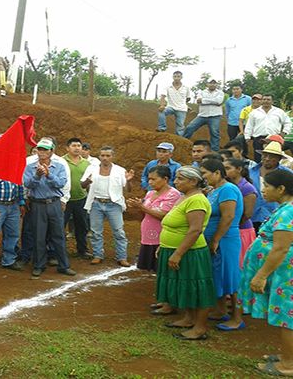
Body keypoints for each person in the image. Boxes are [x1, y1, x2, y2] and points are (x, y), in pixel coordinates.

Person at [237, 170, 293, 376]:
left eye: (267, 186)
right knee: (286, 316)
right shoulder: (284, 208)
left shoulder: (288, 212)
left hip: (284, 274)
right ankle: (288, 356)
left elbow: (281, 248)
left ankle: (288, 365)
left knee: (288, 317)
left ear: (281, 189)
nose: (263, 190)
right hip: (282, 272)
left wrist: (261, 275)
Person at [156, 166, 215, 340]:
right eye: (176, 178)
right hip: (176, 248)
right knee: (184, 284)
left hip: (190, 252)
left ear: (193, 181)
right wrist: (164, 245)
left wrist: (178, 254)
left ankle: (200, 328)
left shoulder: (196, 200)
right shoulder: (184, 197)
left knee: (196, 287)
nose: (175, 182)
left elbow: (195, 230)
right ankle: (189, 318)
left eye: (180, 179)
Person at [126, 166, 181, 314]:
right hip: (148, 237)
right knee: (160, 272)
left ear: (165, 179)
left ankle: (170, 303)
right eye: (149, 179)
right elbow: (144, 214)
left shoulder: (173, 194)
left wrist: (142, 207)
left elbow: (164, 215)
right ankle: (164, 300)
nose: (150, 182)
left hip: (161, 237)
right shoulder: (150, 193)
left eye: (153, 179)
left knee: (165, 271)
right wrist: (138, 207)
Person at [23, 137, 77, 278]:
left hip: (54, 203)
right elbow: (27, 184)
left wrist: (49, 175)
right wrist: (37, 176)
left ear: (52, 151)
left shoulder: (59, 166)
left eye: (45, 150)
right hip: (37, 204)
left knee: (58, 235)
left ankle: (63, 265)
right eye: (40, 149)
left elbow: (60, 183)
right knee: (38, 236)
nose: (41, 152)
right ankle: (38, 265)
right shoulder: (30, 167)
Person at [215, 158, 258, 332]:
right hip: (230, 232)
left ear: (239, 169)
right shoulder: (225, 187)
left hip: (240, 232)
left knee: (235, 273)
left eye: (228, 168)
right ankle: (223, 309)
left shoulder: (246, 188)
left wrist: (227, 227)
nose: (225, 171)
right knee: (225, 272)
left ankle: (239, 311)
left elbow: (246, 214)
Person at [199, 160, 243, 324]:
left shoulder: (228, 190)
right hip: (216, 239)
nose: (203, 176)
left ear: (217, 173)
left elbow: (228, 216)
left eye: (205, 173)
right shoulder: (214, 190)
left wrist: (216, 239)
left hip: (225, 240)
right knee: (218, 274)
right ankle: (220, 310)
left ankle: (237, 318)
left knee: (231, 276)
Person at [81, 146, 135, 267]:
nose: (105, 158)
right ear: (99, 156)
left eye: (108, 156)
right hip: (96, 203)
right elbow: (82, 185)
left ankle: (122, 257)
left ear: (113, 157)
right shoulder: (92, 168)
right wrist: (88, 181)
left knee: (118, 231)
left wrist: (129, 180)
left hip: (114, 203)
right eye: (102, 155)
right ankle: (97, 255)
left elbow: (128, 189)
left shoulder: (120, 170)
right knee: (96, 232)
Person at [0, 135, 26, 272]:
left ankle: (9, 260)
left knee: (13, 234)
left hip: (13, 204)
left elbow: (19, 183)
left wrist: (21, 201)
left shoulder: (15, 162)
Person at [249, 142, 293, 233]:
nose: (267, 159)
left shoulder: (287, 174)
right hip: (252, 216)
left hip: (277, 217)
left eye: (272, 156)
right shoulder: (251, 172)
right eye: (265, 155)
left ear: (279, 159)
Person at [62, 138, 93, 259]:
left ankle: (82, 250)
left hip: (81, 199)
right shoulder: (61, 161)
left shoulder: (87, 163)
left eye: (79, 146)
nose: (77, 148)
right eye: (74, 145)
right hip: (64, 200)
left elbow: (89, 182)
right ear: (67, 148)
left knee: (82, 226)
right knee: (60, 226)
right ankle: (59, 251)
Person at [244, 94, 292, 163]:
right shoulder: (254, 112)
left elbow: (288, 122)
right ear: (261, 101)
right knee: (258, 159)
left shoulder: (279, 111)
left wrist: (283, 133)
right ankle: (260, 173)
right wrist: (247, 137)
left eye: (268, 99)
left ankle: (273, 173)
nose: (266, 101)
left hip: (274, 139)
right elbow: (249, 125)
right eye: (264, 99)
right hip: (258, 139)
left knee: (273, 159)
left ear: (272, 101)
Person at [183, 79, 225, 152]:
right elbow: (199, 101)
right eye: (210, 83)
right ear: (207, 84)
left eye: (214, 83)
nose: (212, 84)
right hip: (202, 115)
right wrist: (212, 101)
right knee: (190, 127)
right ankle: (183, 143)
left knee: (214, 133)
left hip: (215, 116)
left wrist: (204, 100)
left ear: (216, 84)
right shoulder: (201, 92)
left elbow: (219, 101)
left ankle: (214, 151)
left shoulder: (220, 92)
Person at [156, 71, 192, 135]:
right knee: (162, 111)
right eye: (175, 76)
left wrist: (184, 104)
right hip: (171, 107)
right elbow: (163, 97)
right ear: (173, 77)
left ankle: (179, 138)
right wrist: (162, 105)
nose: (176, 78)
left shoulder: (186, 88)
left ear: (181, 77)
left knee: (180, 126)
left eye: (178, 76)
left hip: (181, 109)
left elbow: (188, 98)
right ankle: (162, 127)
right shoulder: (168, 87)